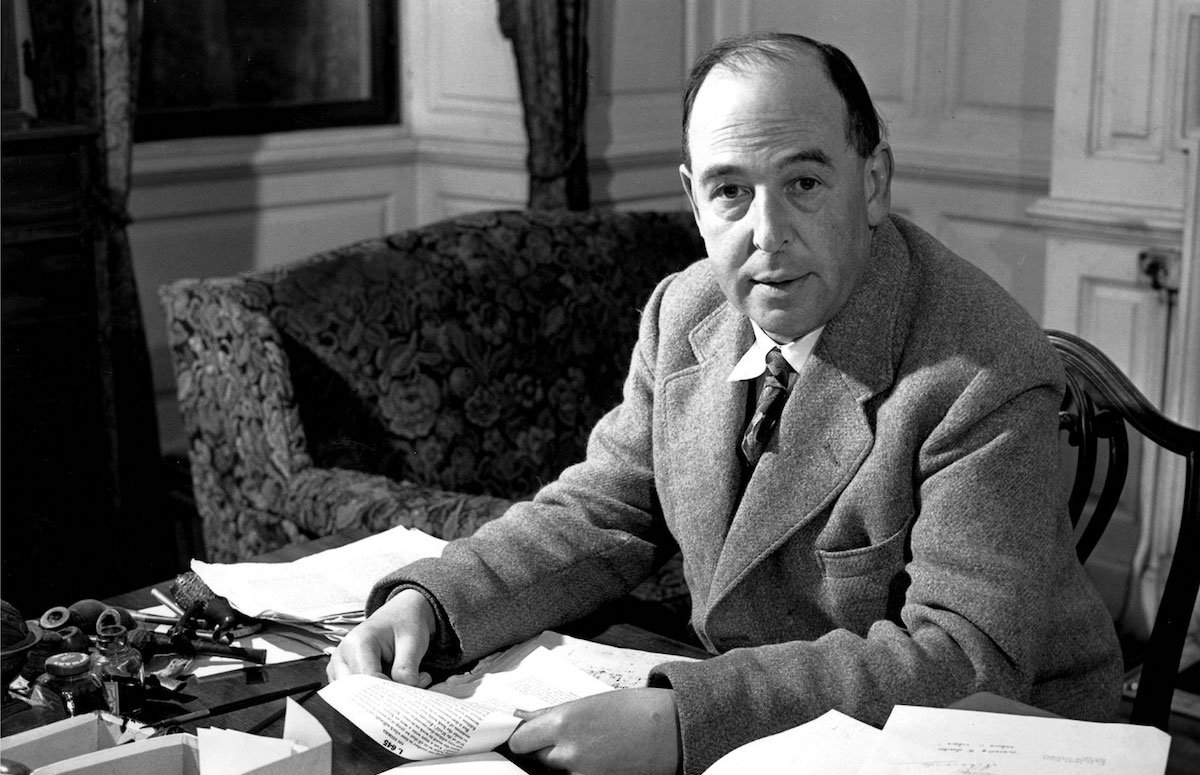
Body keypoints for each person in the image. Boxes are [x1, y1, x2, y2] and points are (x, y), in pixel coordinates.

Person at [329, 32, 1123, 775]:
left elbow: (963, 657)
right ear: (693, 199)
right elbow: (600, 510)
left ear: (873, 182)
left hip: (989, 739)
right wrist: (434, 601)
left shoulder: (982, 365)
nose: (767, 232)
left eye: (804, 184)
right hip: (778, 725)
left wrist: (684, 720)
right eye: (731, 191)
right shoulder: (685, 309)